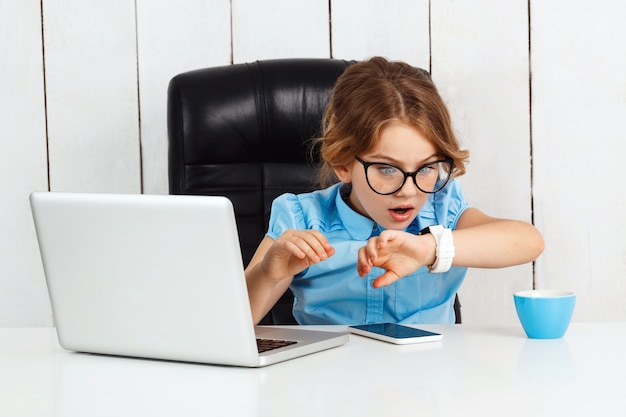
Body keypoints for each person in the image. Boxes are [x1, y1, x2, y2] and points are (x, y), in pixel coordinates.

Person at [245, 57, 544, 325]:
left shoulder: (443, 208)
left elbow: (528, 241)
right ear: (343, 163)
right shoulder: (301, 218)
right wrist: (267, 275)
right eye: (387, 170)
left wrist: (430, 248)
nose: (409, 191)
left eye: (426, 168)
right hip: (331, 378)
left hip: (430, 376)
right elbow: (230, 326)